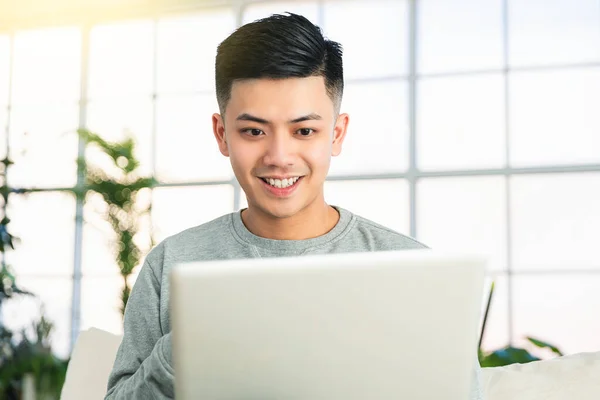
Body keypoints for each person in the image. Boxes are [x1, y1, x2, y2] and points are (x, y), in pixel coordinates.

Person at [105, 13, 483, 399]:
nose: (279, 157)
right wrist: (182, 350)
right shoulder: (171, 263)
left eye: (304, 131)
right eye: (253, 131)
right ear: (222, 135)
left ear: (336, 134)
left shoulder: (413, 271)